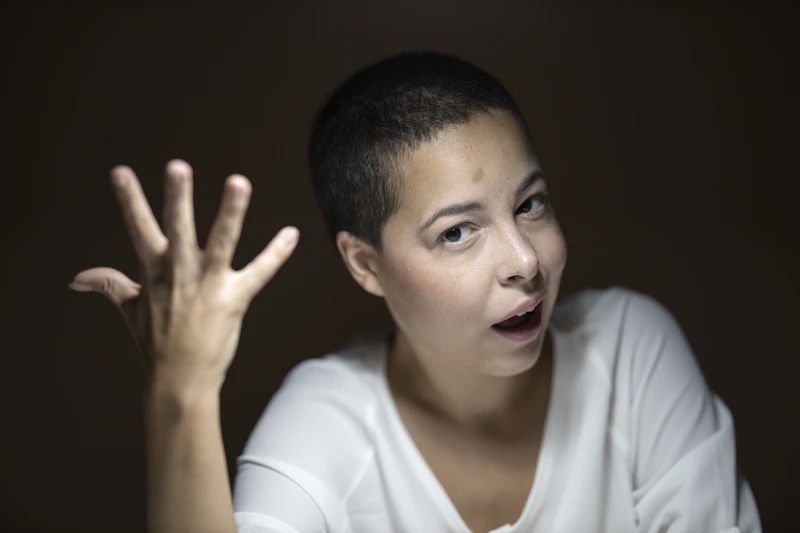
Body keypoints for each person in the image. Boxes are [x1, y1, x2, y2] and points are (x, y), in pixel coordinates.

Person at [68, 52, 761, 533]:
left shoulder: (630, 354)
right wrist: (179, 391)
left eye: (531, 204)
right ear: (365, 265)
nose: (525, 261)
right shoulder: (325, 419)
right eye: (458, 232)